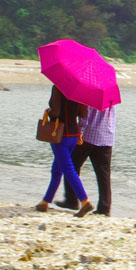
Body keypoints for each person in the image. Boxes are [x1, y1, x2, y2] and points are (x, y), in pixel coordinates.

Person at [36, 85, 94, 217]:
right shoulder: (80, 89)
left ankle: (85, 201)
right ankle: (45, 202)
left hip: (60, 134)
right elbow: (83, 113)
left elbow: (56, 112)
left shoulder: (58, 87)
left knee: (68, 169)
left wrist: (48, 112)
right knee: (57, 169)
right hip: (73, 134)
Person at [58, 103, 116, 216]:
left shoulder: (89, 96)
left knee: (71, 166)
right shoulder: (110, 97)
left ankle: (71, 199)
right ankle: (104, 207)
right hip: (106, 136)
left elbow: (85, 117)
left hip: (88, 135)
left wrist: (80, 131)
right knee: (103, 175)